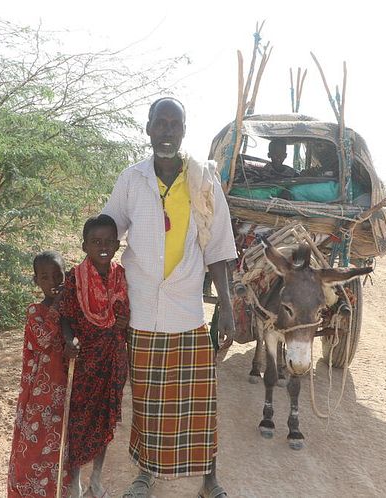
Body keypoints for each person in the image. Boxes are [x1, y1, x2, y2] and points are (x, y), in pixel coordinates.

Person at [102, 97, 237, 498]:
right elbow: (108, 230)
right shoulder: (132, 179)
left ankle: (209, 479)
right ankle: (145, 474)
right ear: (147, 129)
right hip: (142, 307)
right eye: (159, 123)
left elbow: (218, 248)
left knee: (199, 401)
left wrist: (227, 307)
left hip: (186, 309)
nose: (165, 131)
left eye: (173, 124)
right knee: (147, 399)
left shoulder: (203, 180)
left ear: (183, 131)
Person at [60, 214, 130, 498]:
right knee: (78, 421)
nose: (103, 247)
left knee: (105, 420)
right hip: (84, 361)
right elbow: (64, 316)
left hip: (114, 359)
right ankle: (75, 479)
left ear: (116, 244)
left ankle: (97, 479)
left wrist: (125, 321)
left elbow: (126, 316)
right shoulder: (73, 278)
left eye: (108, 242)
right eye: (95, 241)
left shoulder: (122, 276)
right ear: (84, 245)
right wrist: (68, 341)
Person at [7, 251, 70, 498]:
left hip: (65, 391)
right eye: (45, 277)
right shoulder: (35, 311)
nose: (53, 282)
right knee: (33, 448)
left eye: (58, 275)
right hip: (39, 395)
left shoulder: (72, 311)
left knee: (58, 449)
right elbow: (43, 338)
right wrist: (57, 306)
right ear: (36, 281)